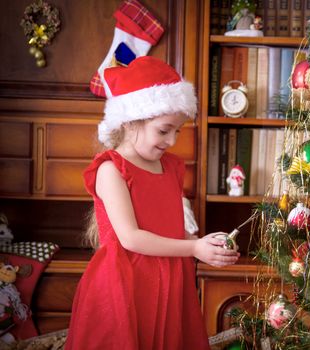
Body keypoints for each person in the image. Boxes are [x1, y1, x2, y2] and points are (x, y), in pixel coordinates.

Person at [65, 56, 239, 350]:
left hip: (170, 279)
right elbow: (132, 238)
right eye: (163, 130)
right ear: (132, 121)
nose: (171, 140)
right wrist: (193, 247)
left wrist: (203, 244)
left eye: (177, 131)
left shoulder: (170, 167)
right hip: (125, 286)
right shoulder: (111, 169)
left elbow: (169, 228)